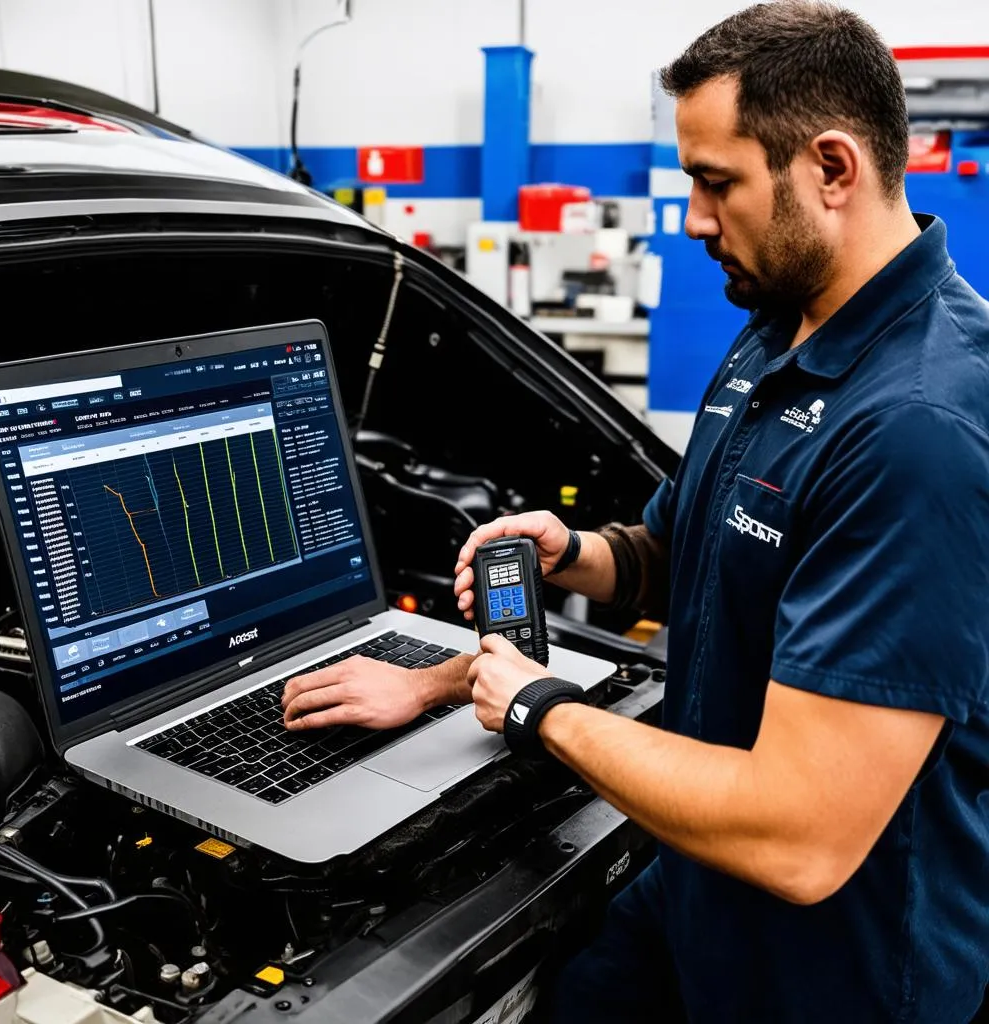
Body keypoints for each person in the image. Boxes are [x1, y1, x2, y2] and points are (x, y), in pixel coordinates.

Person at [282, 2, 989, 1020]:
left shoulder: (917, 428)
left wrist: (527, 704)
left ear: (832, 169)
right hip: (698, 886)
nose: (695, 219)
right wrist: (574, 553)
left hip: (833, 965)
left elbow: (800, 837)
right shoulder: (775, 333)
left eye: (716, 183)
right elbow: (678, 549)